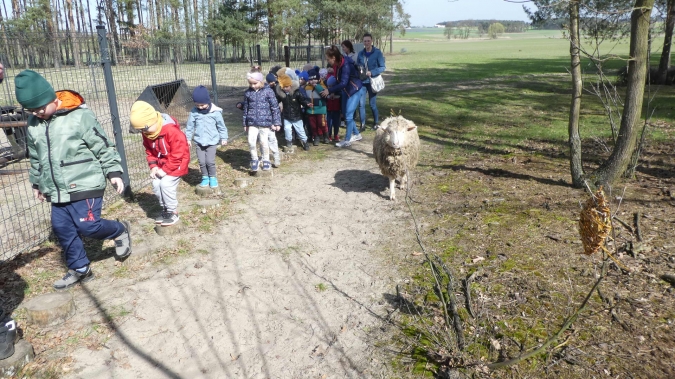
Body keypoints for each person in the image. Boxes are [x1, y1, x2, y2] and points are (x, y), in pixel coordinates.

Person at [15, 69, 131, 290]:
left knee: (89, 227)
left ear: (53, 98)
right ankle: (80, 268)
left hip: (85, 182)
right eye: (32, 109)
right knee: (62, 229)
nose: (38, 112)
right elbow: (36, 157)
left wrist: (114, 172)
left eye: (41, 107)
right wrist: (37, 183)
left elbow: (102, 145)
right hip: (57, 189)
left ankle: (120, 230)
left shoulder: (79, 116)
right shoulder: (34, 124)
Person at [130, 100, 190, 226]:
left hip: (177, 163)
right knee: (156, 183)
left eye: (145, 129)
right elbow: (149, 151)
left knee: (167, 184)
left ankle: (173, 211)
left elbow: (178, 154)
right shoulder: (148, 133)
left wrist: (165, 170)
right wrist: (154, 167)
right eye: (140, 130)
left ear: (153, 121)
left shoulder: (171, 131)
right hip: (162, 164)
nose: (144, 133)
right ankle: (165, 209)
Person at [320, 45, 365, 148]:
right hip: (346, 90)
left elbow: (344, 82)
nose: (327, 61)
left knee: (349, 115)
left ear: (333, 58)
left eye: (328, 59)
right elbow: (338, 80)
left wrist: (329, 90)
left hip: (354, 89)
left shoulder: (345, 64)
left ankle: (347, 140)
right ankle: (357, 134)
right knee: (345, 114)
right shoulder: (337, 65)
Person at [185, 85, 228, 188]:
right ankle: (205, 177)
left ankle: (212, 177)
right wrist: (188, 138)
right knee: (202, 161)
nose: (200, 107)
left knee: (210, 161)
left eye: (202, 105)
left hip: (212, 141)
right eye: (197, 105)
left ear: (208, 101)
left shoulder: (215, 113)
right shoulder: (194, 112)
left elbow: (221, 126)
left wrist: (224, 138)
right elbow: (190, 126)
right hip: (199, 141)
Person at [243, 70, 281, 171]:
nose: (253, 86)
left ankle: (266, 160)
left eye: (255, 83)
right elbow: (246, 109)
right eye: (250, 83)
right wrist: (245, 123)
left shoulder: (268, 91)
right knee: (251, 142)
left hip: (265, 122)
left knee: (264, 143)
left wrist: (276, 122)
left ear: (261, 81)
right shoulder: (248, 93)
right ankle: (254, 159)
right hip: (252, 122)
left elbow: (275, 107)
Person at [276, 71, 312, 151]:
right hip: (286, 116)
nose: (285, 88)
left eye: (287, 86)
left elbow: (303, 100)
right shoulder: (282, 95)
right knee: (287, 129)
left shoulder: (297, 93)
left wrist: (307, 104)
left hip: (297, 116)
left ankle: (305, 142)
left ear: (290, 85)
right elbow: (275, 101)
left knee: (300, 130)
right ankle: (289, 141)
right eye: (283, 87)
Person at [357, 33, 386, 131]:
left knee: (372, 104)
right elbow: (358, 66)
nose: (366, 43)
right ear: (363, 42)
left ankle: (376, 122)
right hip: (362, 82)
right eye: (365, 41)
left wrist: (372, 72)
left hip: (372, 81)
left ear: (371, 41)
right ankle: (362, 125)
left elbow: (382, 67)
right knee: (361, 104)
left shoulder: (377, 53)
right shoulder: (361, 54)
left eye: (368, 41)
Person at [305, 68, 329, 144]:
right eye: (310, 80)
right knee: (313, 125)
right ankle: (316, 137)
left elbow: (324, 95)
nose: (312, 81)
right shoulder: (307, 87)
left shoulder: (323, 86)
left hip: (320, 109)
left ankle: (326, 136)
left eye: (314, 79)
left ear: (318, 79)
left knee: (322, 124)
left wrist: (316, 86)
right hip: (310, 110)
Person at [325, 74, 341, 142]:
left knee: (336, 123)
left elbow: (341, 101)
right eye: (328, 86)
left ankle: (336, 135)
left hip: (336, 110)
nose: (329, 88)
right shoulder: (327, 92)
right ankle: (329, 135)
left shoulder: (339, 93)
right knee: (329, 123)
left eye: (331, 86)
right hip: (329, 110)